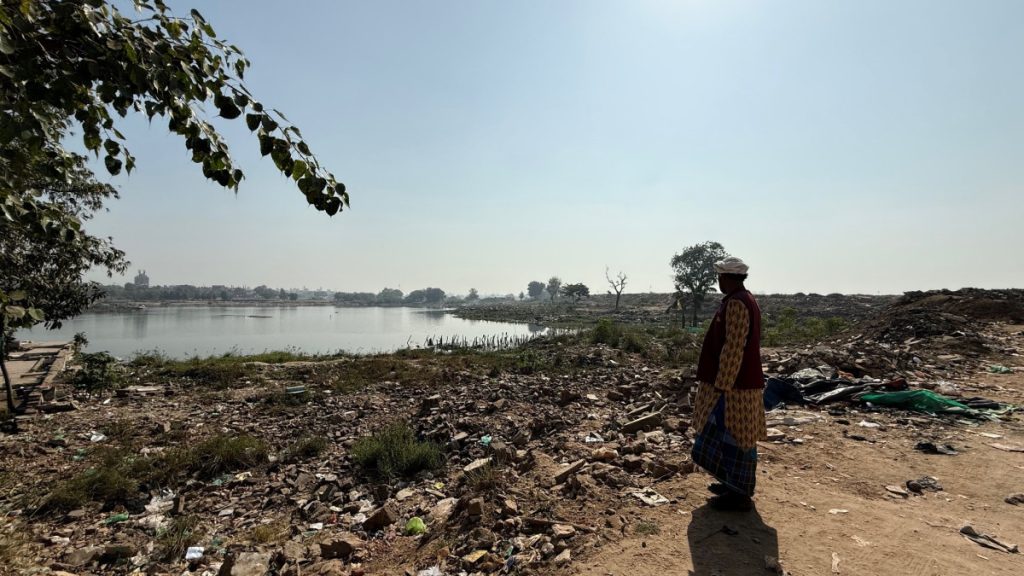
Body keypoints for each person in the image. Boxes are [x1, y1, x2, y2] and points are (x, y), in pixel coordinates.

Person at [691, 256, 766, 511]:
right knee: (729, 437)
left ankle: (739, 495)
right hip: (738, 384)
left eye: (720, 277)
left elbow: (733, 347)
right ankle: (731, 484)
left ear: (726, 277)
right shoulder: (744, 300)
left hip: (734, 388)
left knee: (736, 438)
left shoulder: (737, 303)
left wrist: (723, 384)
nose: (718, 282)